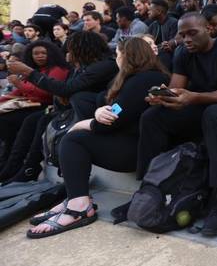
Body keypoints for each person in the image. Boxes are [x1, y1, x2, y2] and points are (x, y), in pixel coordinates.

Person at [27, 37, 169, 238]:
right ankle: (74, 199)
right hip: (132, 143)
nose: (116, 59)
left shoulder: (144, 80)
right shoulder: (140, 77)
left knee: (73, 138)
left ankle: (80, 207)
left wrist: (83, 124)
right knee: (75, 134)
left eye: (118, 55)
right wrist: (100, 110)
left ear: (128, 56)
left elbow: (112, 120)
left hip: (139, 152)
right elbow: (111, 104)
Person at [137, 12, 217, 237]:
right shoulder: (182, 53)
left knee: (214, 114)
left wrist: (193, 97)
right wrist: (164, 98)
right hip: (200, 107)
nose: (186, 39)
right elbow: (177, 88)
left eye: (192, 33)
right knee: (152, 116)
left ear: (209, 29)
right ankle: (150, 188)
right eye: (182, 35)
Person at [4, 32, 117, 182]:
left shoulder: (104, 65)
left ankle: (29, 168)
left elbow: (67, 89)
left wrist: (28, 72)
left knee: (42, 121)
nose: (69, 54)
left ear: (84, 48)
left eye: (72, 50)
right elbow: (64, 91)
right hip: (68, 109)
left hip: (90, 113)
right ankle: (15, 167)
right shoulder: (84, 65)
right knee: (32, 121)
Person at [0, 41, 68, 178]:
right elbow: (19, 93)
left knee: (11, 122)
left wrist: (18, 83)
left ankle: (14, 165)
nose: (40, 56)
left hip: (45, 106)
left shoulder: (58, 69)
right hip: (30, 105)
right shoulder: (33, 69)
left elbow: (46, 93)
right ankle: (6, 161)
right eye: (36, 53)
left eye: (43, 53)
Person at [147, 0, 179, 70]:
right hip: (155, 54)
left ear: (159, 11)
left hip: (169, 57)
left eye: (150, 10)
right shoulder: (152, 25)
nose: (148, 12)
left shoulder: (174, 23)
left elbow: (169, 46)